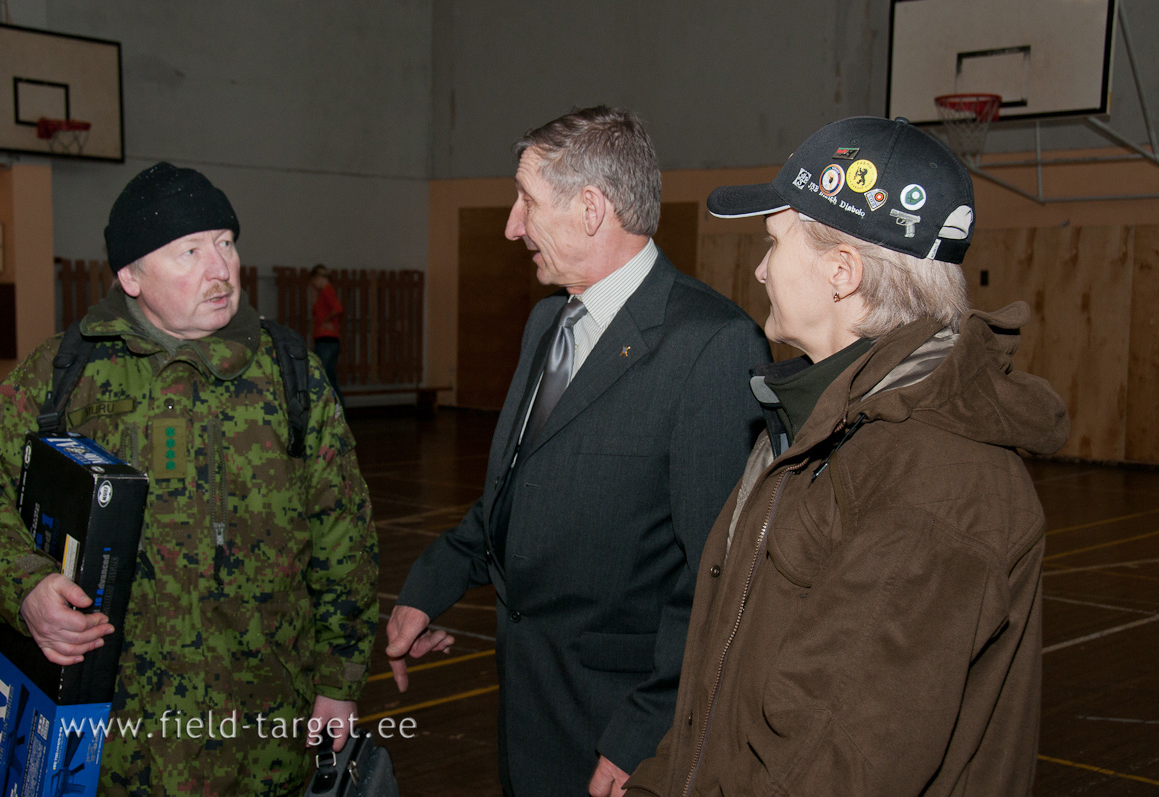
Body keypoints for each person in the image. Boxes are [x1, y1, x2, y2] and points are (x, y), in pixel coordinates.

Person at [625, 117, 1070, 796]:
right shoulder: (816, 420)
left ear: (842, 271)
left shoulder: (932, 483)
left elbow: (831, 765)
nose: (760, 268)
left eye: (774, 244)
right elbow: (728, 678)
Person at [385, 106, 770, 796]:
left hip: (614, 733)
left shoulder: (711, 345)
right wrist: (429, 586)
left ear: (591, 208)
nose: (511, 224)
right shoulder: (546, 321)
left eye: (526, 200)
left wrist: (642, 733)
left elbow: (716, 575)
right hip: (527, 707)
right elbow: (515, 493)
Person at [0, 162, 378, 795]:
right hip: (115, 742)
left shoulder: (291, 373)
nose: (221, 269)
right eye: (189, 251)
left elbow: (344, 538)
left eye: (226, 243)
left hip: (264, 734)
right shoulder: (66, 374)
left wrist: (340, 687)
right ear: (131, 276)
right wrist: (24, 589)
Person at [310, 263, 345, 402]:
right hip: (327, 340)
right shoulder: (323, 293)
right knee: (330, 380)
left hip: (326, 341)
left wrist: (326, 321)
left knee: (322, 379)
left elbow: (338, 308)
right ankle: (338, 414)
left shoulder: (326, 290)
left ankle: (334, 413)